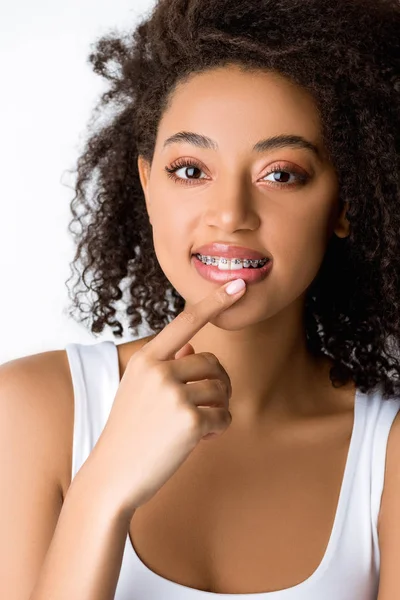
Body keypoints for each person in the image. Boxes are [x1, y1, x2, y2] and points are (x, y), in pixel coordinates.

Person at [1, 0, 400, 598]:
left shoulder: (388, 454)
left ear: (345, 202)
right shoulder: (31, 411)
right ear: (147, 187)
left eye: (282, 174)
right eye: (191, 169)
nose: (231, 215)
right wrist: (104, 487)